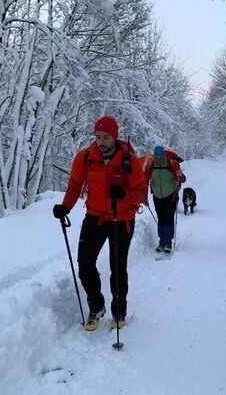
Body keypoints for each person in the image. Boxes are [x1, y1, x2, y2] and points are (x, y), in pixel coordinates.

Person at [52, 115, 147, 331]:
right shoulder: (85, 158)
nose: (101, 142)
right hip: (94, 217)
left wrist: (123, 195)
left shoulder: (128, 160)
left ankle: (119, 312)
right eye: (97, 137)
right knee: (85, 265)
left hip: (122, 220)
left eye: (106, 137)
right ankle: (97, 306)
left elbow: (141, 192)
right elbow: (75, 185)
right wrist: (65, 207)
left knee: (117, 268)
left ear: (115, 137)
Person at [144, 146, 186, 253]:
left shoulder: (172, 163)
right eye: (157, 156)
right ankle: (162, 241)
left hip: (171, 195)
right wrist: (144, 197)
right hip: (157, 196)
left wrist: (180, 176)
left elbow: (183, 179)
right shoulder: (151, 165)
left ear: (164, 155)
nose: (159, 158)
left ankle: (168, 242)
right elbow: (145, 181)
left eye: (161, 156)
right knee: (161, 218)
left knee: (168, 218)